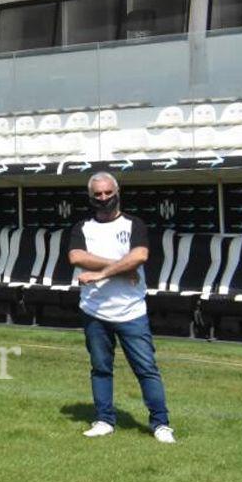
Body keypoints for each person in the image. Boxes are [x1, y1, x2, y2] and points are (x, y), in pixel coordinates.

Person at [68, 172, 174, 443]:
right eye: (98, 194)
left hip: (131, 311)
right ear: (91, 198)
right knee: (100, 368)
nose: (103, 198)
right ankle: (104, 419)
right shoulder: (82, 227)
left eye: (107, 192)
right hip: (94, 311)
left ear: (117, 192)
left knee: (146, 368)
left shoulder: (133, 224)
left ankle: (160, 424)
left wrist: (101, 273)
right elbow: (76, 257)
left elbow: (139, 256)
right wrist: (119, 268)